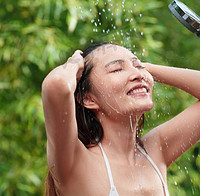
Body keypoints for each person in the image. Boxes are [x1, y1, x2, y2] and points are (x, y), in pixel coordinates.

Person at [42, 42, 200, 196]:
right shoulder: (76, 163)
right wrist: (74, 63)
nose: (138, 74)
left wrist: (145, 68)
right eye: (116, 69)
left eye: (138, 67)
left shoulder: (155, 150)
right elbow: (56, 84)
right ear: (89, 99)